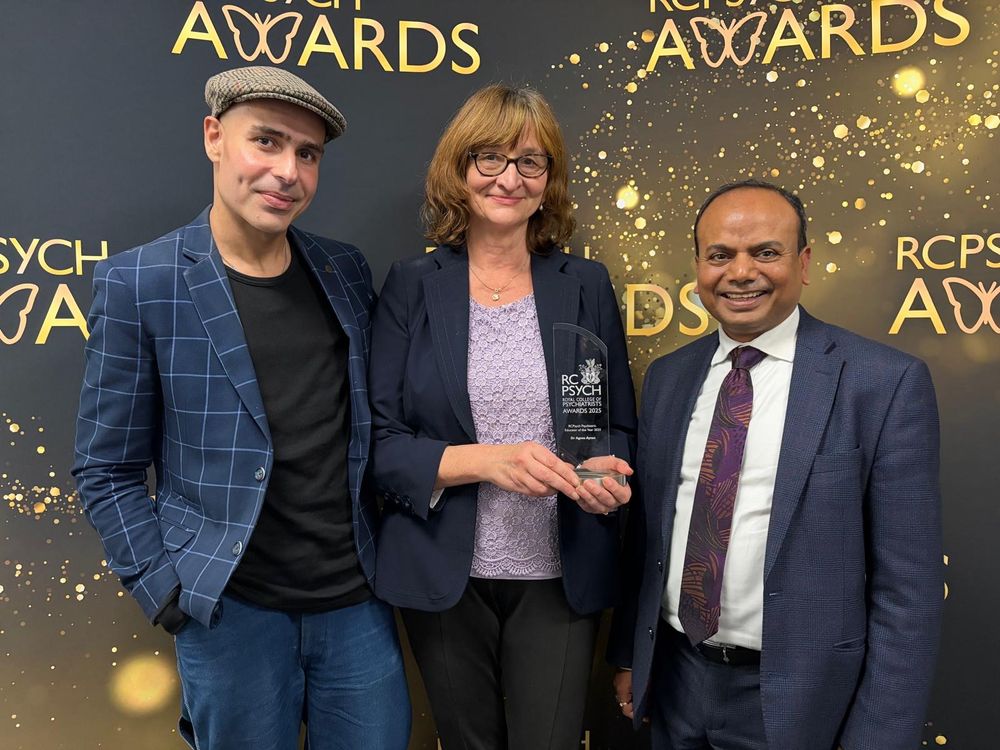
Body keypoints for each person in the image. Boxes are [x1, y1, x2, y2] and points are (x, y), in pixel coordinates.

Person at [73, 66, 410, 750]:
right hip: (231, 612)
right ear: (213, 138)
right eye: (267, 142)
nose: (287, 171)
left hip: (356, 607)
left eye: (307, 154)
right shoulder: (142, 281)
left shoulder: (345, 271)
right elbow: (105, 467)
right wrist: (168, 595)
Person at [608, 179, 943, 750]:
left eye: (765, 252)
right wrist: (628, 656)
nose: (740, 272)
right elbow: (647, 539)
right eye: (720, 255)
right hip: (674, 682)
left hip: (802, 700)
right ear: (698, 267)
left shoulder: (882, 384)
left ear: (804, 261)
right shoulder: (668, 378)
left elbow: (907, 591)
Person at [369, 83, 637, 749]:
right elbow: (379, 444)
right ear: (459, 169)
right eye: (488, 157)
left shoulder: (588, 284)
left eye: (530, 162)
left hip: (559, 573)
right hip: (443, 578)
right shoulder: (411, 285)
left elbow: (615, 426)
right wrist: (488, 461)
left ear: (549, 182)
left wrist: (608, 479)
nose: (508, 178)